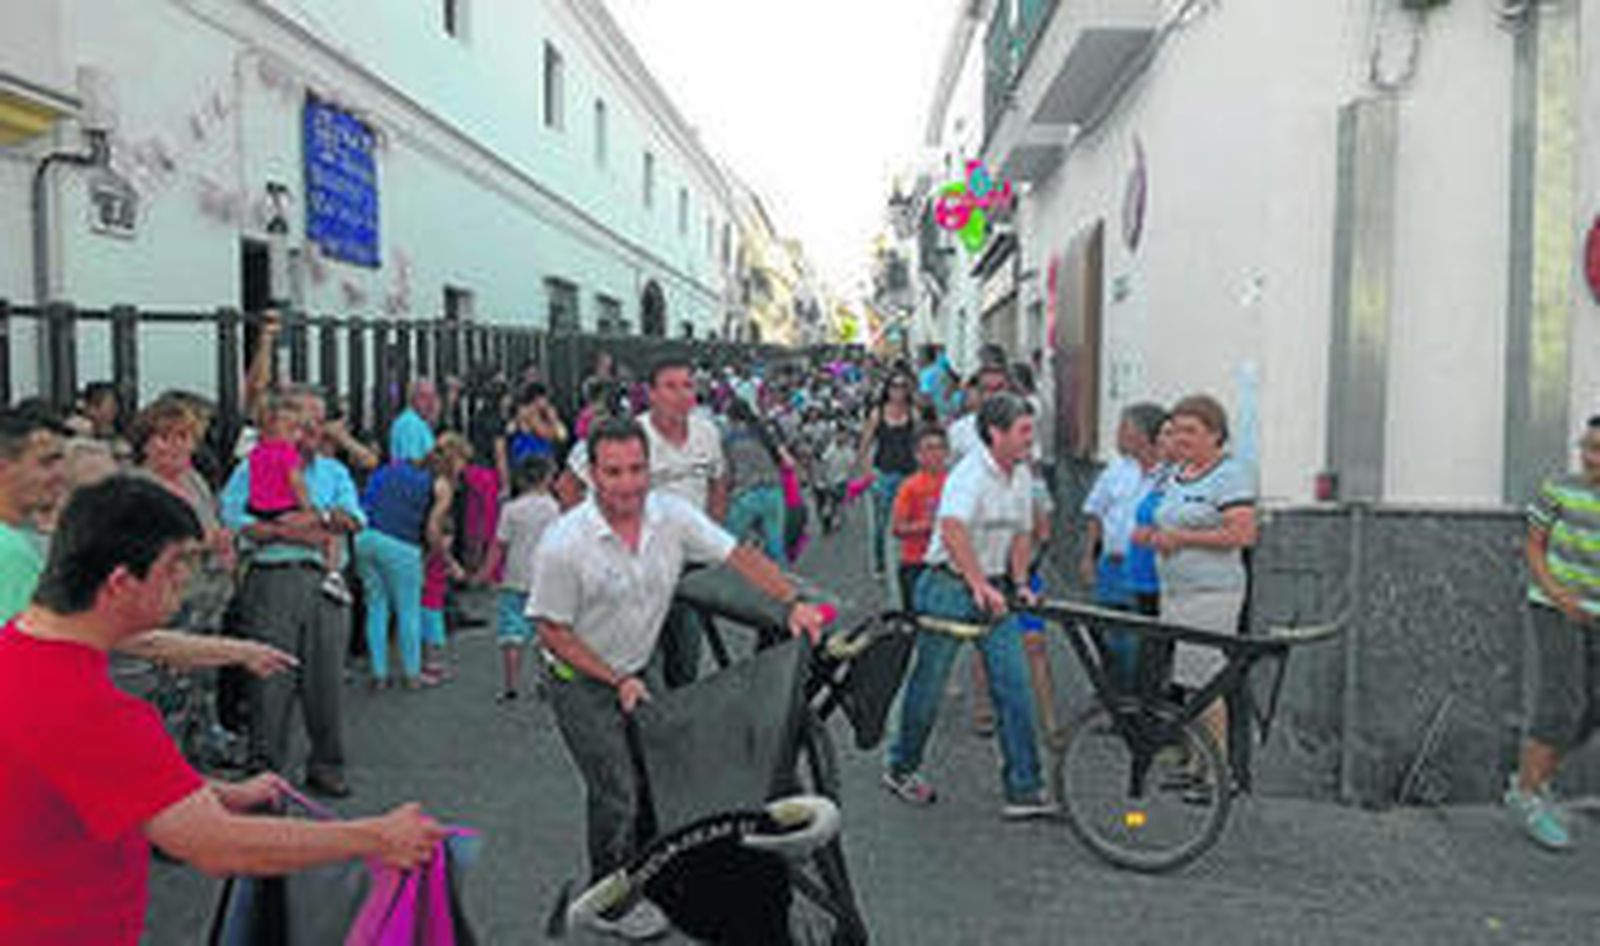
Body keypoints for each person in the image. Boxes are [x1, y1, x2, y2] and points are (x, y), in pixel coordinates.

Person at [0, 476, 448, 945]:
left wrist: (207, 789)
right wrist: (377, 836)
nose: (184, 582)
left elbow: (79, 773)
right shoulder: (98, 712)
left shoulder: (19, 650)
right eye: (175, 566)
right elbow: (218, 845)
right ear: (120, 583)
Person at [530, 418, 828, 941]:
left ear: (651, 469)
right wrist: (615, 678)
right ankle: (611, 898)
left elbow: (738, 557)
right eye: (614, 472)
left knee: (663, 768)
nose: (627, 484)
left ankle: (656, 871)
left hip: (635, 667)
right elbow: (552, 632)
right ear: (592, 475)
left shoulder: (672, 516)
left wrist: (792, 602)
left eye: (637, 470)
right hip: (579, 677)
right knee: (616, 788)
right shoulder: (563, 544)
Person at [883, 394, 1055, 818]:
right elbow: (953, 528)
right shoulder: (971, 473)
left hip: (994, 587)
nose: (1031, 439)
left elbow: (1020, 533)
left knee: (1013, 685)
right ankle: (902, 766)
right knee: (931, 684)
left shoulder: (1019, 475)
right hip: (948, 585)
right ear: (995, 434)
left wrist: (1019, 583)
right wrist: (977, 583)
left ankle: (1024, 788)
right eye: (1023, 431)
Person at [220, 387, 367, 798]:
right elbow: (233, 516)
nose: (310, 431)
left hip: (325, 580)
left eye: (316, 422)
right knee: (270, 679)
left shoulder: (333, 472)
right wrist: (284, 531)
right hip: (273, 577)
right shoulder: (253, 467)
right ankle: (265, 773)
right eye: (301, 422)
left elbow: (354, 518)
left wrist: (316, 519)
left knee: (327, 681)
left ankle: (327, 764)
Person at [567, 356, 729, 689]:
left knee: (685, 659)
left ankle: (675, 721)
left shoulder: (707, 432)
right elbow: (568, 486)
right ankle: (643, 728)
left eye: (687, 385)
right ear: (651, 393)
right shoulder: (629, 433)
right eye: (670, 387)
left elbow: (719, 480)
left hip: (690, 569)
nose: (681, 395)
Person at [1132, 393, 1257, 793]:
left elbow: (1243, 532)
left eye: (1191, 430)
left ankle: (1219, 773)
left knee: (1207, 680)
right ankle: (1194, 761)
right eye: (1177, 429)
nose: (1181, 437)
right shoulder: (1176, 473)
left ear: (1215, 435)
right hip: (1176, 591)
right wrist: (1151, 537)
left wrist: (1181, 538)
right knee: (1186, 679)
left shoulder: (1230, 475)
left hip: (1212, 592)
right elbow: (1164, 521)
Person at [1505, 415, 1600, 851]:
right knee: (1562, 701)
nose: (1589, 457)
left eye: (1597, 450)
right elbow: (1534, 546)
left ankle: (1533, 781)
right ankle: (1527, 794)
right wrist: (1559, 595)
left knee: (1590, 710)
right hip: (1554, 607)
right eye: (1586, 448)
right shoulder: (1558, 490)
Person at [354, 434, 473, 690]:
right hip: (400, 543)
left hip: (364, 537)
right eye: (464, 462)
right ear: (456, 459)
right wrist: (448, 562)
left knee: (376, 607)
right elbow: (433, 530)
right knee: (408, 609)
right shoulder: (441, 485)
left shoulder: (397, 466)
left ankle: (379, 674)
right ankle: (412, 674)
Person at [1079, 403, 1168, 678]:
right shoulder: (1115, 470)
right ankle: (1114, 697)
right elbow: (1095, 513)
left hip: (1146, 569)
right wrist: (1088, 557)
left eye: (1124, 428)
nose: (1116, 435)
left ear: (1144, 435)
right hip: (1111, 565)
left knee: (1140, 642)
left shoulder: (1169, 475)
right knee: (1107, 637)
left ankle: (1137, 701)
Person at [244, 390, 352, 604]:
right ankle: (333, 576)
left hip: (262, 511)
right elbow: (296, 483)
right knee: (329, 535)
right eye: (298, 428)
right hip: (282, 526)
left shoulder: (256, 453)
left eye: (319, 422)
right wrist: (310, 511)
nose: (306, 432)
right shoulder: (287, 454)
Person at [476, 455, 560, 702]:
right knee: (545, 637)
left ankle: (511, 685)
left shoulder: (511, 510)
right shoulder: (554, 509)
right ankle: (545, 682)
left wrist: (485, 572)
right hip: (545, 581)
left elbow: (499, 546)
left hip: (514, 578)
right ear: (548, 478)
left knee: (512, 634)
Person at [854, 370, 919, 577]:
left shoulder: (913, 413)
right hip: (884, 473)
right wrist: (868, 473)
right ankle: (880, 564)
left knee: (910, 519)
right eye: (894, 386)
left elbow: (920, 441)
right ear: (887, 389)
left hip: (909, 473)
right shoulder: (878, 413)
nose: (898, 391)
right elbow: (864, 445)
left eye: (902, 387)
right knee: (881, 523)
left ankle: (909, 559)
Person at [722, 396, 791, 561]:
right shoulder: (763, 431)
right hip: (773, 490)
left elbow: (728, 472)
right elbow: (787, 461)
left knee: (727, 537)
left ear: (731, 417)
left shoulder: (728, 438)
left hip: (746, 495)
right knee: (775, 543)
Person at [890, 425, 949, 612]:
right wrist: (930, 526)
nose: (936, 454)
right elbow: (898, 528)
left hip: (948, 564)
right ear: (918, 455)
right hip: (916, 563)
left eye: (940, 447)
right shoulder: (910, 486)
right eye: (929, 448)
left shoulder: (956, 482)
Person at [390, 378, 440, 463]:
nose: (430, 402)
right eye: (423, 396)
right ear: (412, 399)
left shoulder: (420, 422)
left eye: (432, 396)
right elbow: (412, 462)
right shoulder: (410, 423)